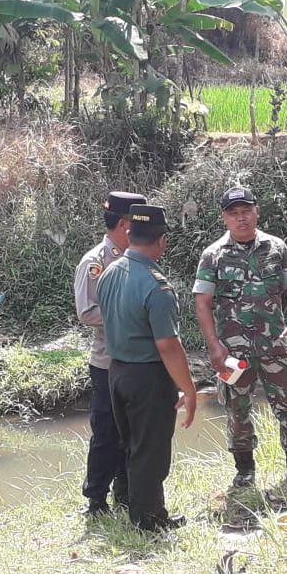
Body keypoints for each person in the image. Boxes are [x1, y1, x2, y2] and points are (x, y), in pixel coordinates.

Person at [193, 187, 287, 488]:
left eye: (246, 211)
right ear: (224, 218)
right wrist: (213, 346)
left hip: (276, 347)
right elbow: (202, 303)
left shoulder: (276, 247)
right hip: (234, 352)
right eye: (234, 213)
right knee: (236, 409)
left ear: (257, 212)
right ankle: (245, 472)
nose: (241, 218)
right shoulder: (213, 255)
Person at [97, 204, 197, 533]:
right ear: (162, 240)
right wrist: (189, 389)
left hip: (117, 372)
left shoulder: (109, 271)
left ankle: (128, 503)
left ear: (129, 234)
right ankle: (149, 522)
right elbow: (168, 345)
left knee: (130, 443)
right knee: (150, 452)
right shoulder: (157, 287)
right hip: (147, 377)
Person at [74, 191, 147, 517]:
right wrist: (130, 315)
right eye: (137, 222)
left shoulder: (139, 257)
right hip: (107, 362)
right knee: (107, 433)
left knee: (134, 431)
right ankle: (96, 500)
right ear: (123, 224)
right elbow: (88, 312)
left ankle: (127, 493)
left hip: (138, 361)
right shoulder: (96, 262)